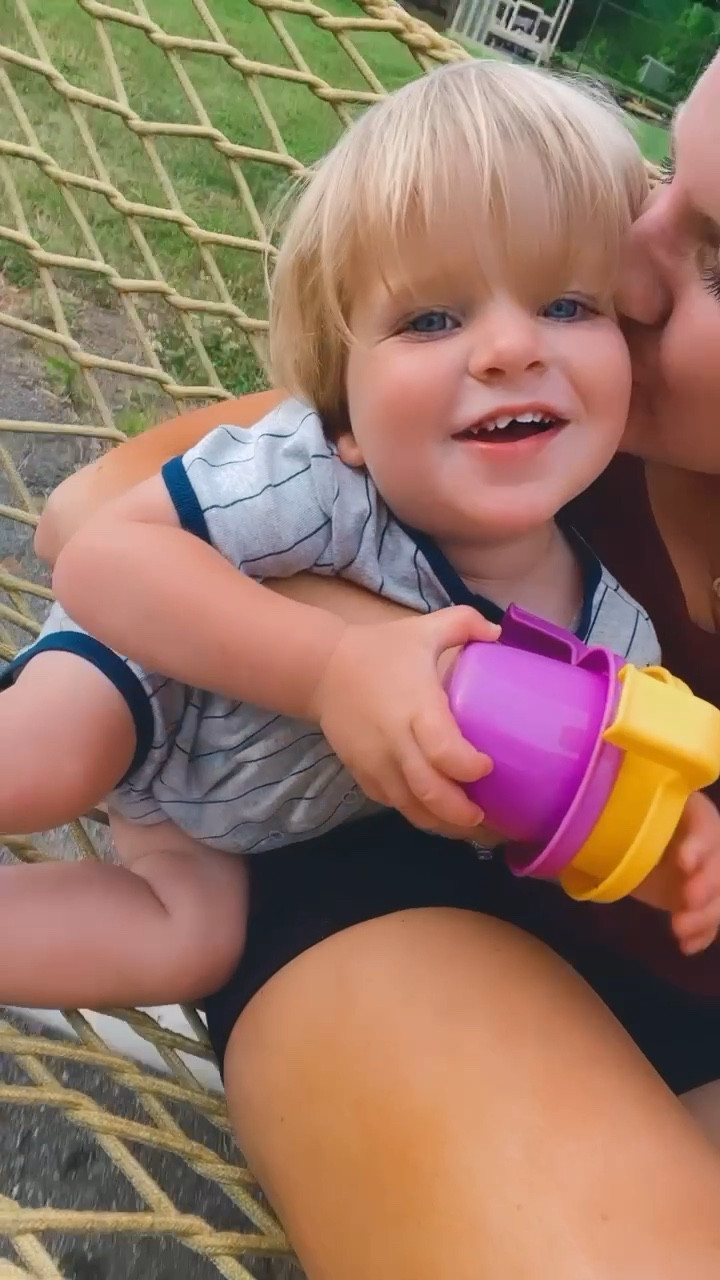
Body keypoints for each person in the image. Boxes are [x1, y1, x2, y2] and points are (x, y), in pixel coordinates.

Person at [28, 52, 720, 1280]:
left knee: (176, 935)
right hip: (183, 715)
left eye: (718, 253)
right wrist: (339, 665)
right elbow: (93, 538)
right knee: (44, 754)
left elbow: (619, 783)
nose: (625, 264)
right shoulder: (373, 456)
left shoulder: (604, 599)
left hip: (256, 841)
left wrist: (677, 846)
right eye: (665, 180)